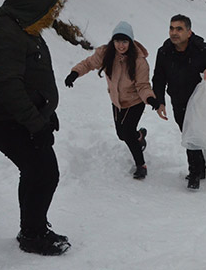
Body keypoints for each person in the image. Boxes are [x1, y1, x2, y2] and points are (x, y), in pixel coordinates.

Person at [0, 0, 71, 255]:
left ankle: (32, 228)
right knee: (43, 173)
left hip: (23, 117)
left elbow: (29, 76)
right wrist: (35, 123)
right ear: (30, 4)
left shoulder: (21, 25)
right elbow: (8, 87)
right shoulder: (2, 33)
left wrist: (45, 110)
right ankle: (32, 234)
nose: (52, 15)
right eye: (49, 9)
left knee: (36, 172)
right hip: (7, 122)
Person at [65, 21, 157, 180]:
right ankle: (139, 137)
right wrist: (75, 73)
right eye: (117, 41)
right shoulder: (106, 53)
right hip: (117, 101)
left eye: (124, 41)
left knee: (127, 133)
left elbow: (143, 85)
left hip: (135, 102)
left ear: (131, 41)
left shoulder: (139, 62)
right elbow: (88, 64)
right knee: (121, 134)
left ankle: (141, 165)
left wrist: (150, 99)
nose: (120, 45)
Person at [151, 14, 206, 189]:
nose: (174, 32)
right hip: (178, 99)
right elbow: (158, 78)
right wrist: (159, 101)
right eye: (171, 28)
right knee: (188, 132)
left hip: (200, 100)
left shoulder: (201, 49)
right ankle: (200, 167)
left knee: (192, 134)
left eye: (179, 29)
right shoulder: (164, 51)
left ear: (189, 32)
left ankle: (195, 172)